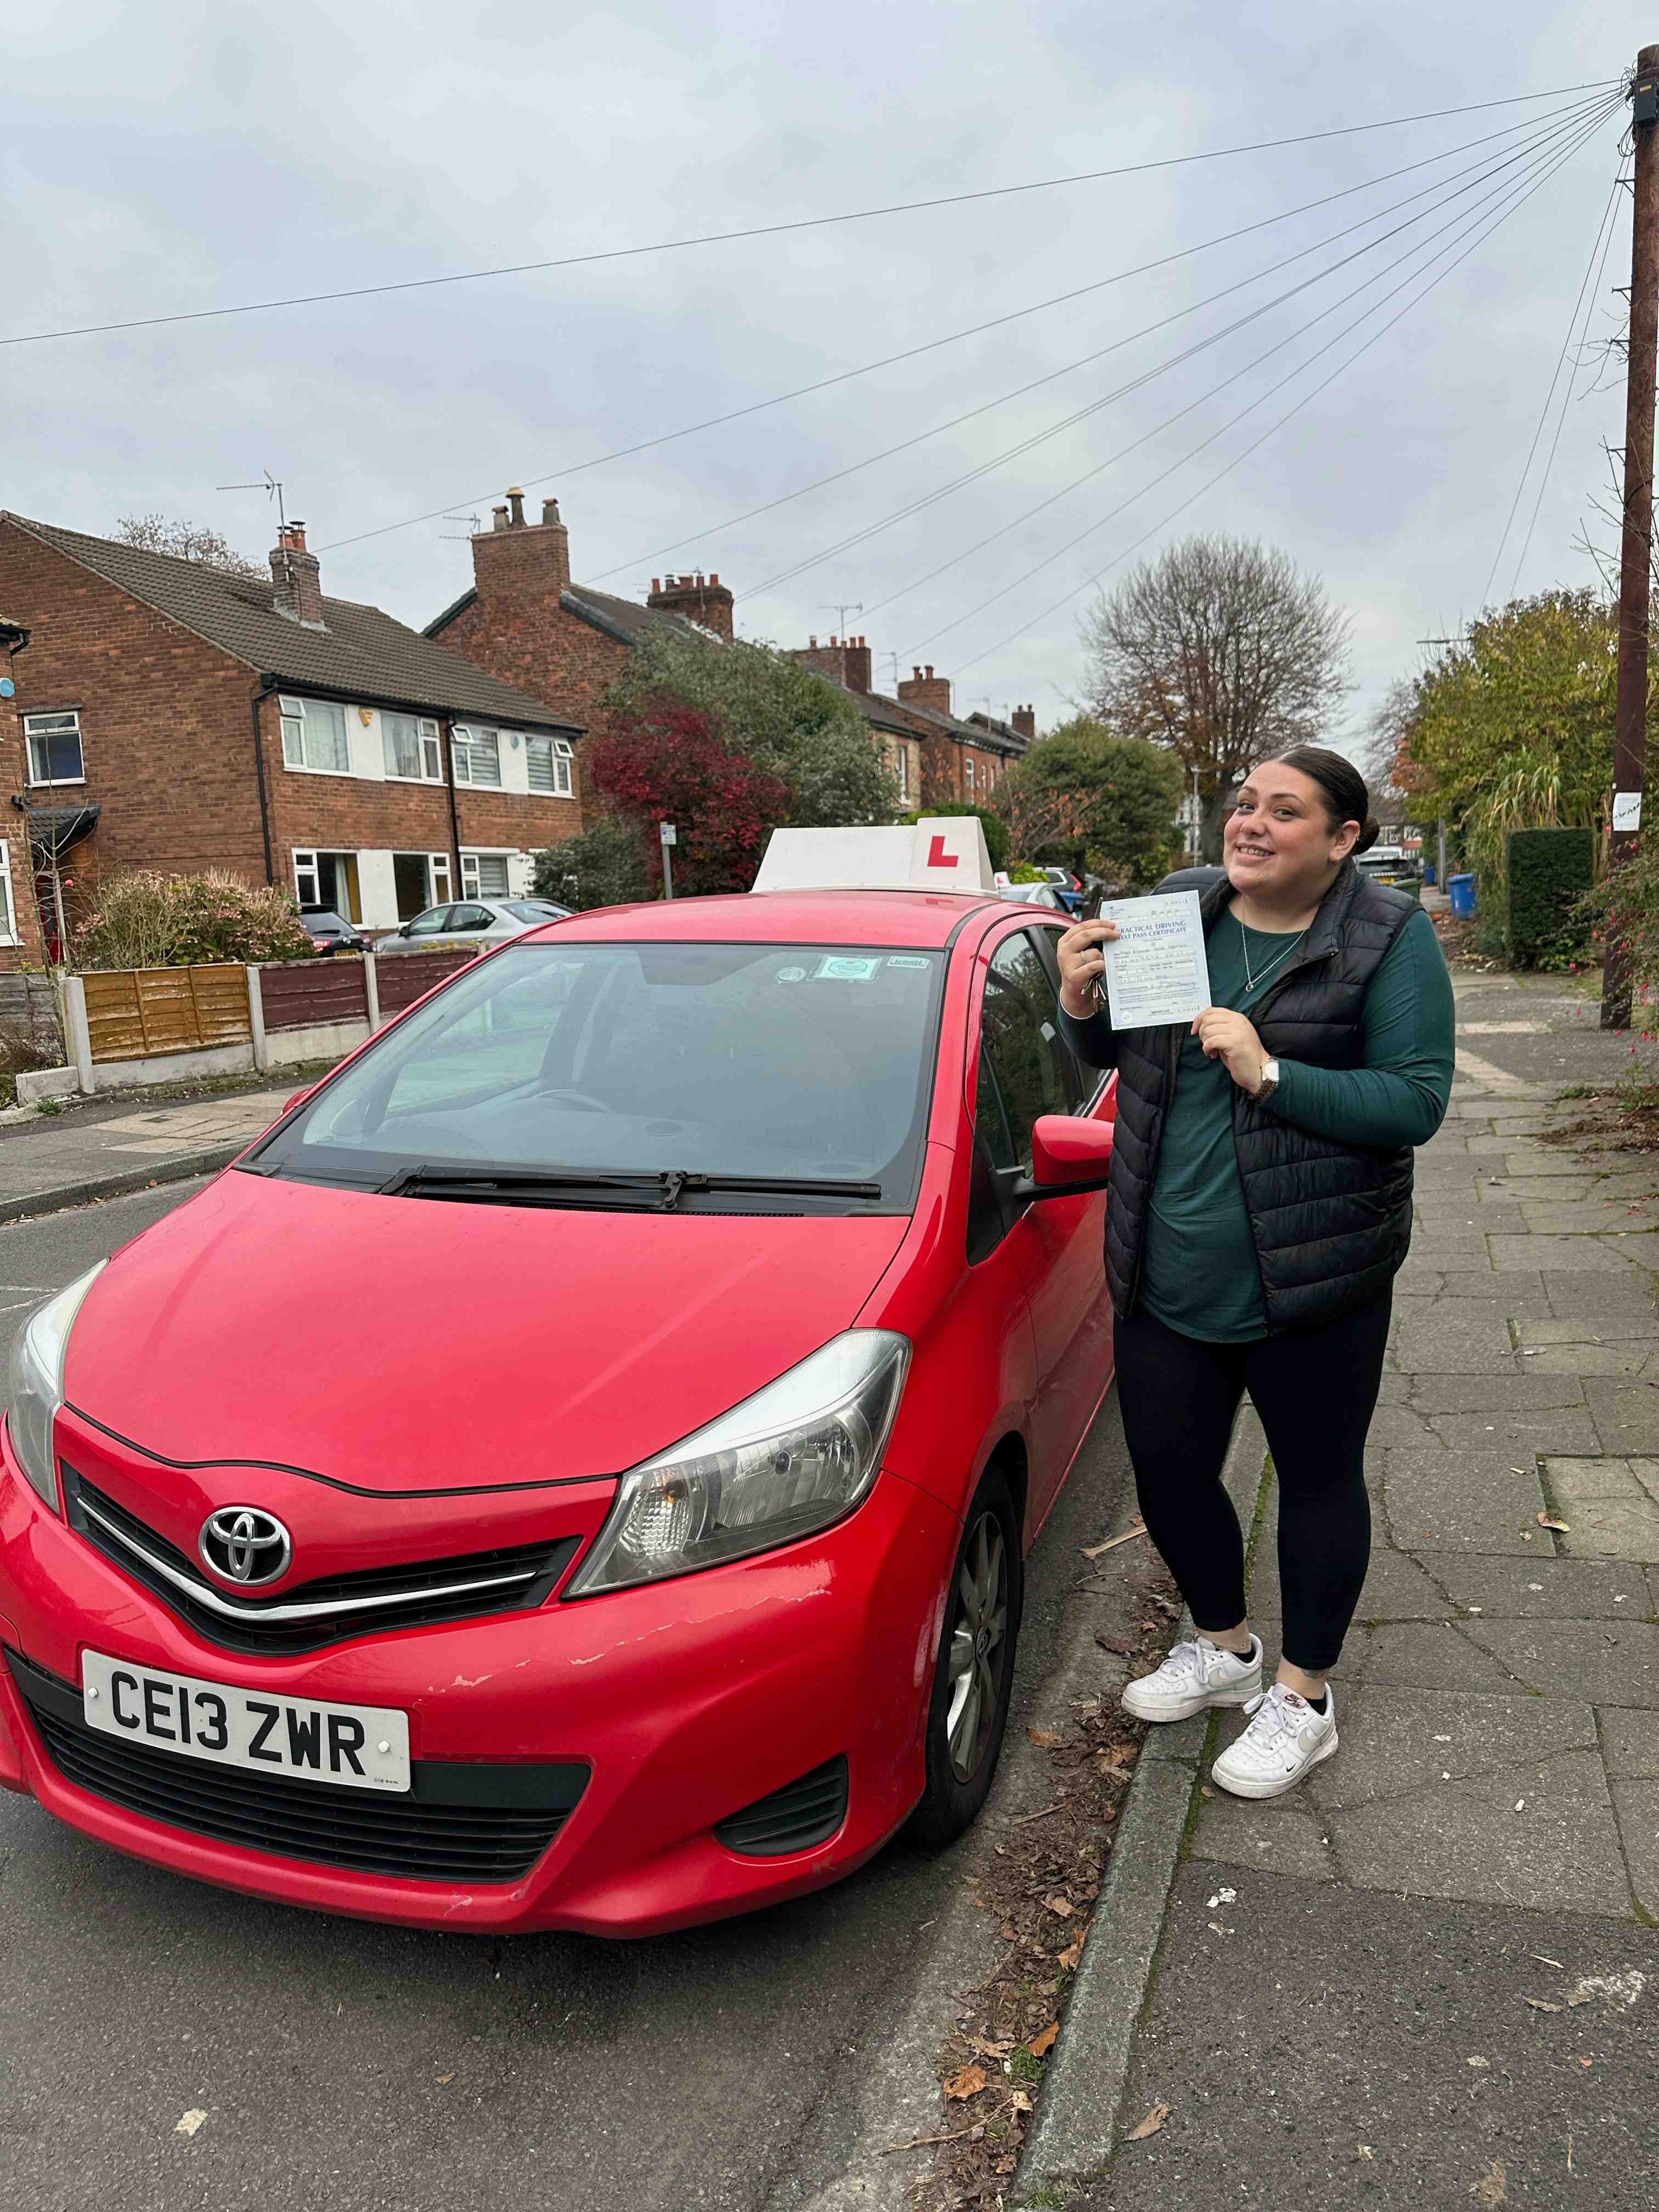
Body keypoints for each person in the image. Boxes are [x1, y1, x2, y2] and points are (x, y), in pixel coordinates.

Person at [1056, 747, 1453, 1798]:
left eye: (1286, 812)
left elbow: (1414, 1101)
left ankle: (1305, 1695)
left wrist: (1271, 1072)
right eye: (1244, 805)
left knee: (1317, 1483)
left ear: (1342, 839)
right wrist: (1080, 1002)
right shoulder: (1181, 909)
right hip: (1165, 1261)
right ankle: (1225, 1648)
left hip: (1312, 1276)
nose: (1252, 825)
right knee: (1172, 1472)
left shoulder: (1388, 938)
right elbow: (1115, 1054)